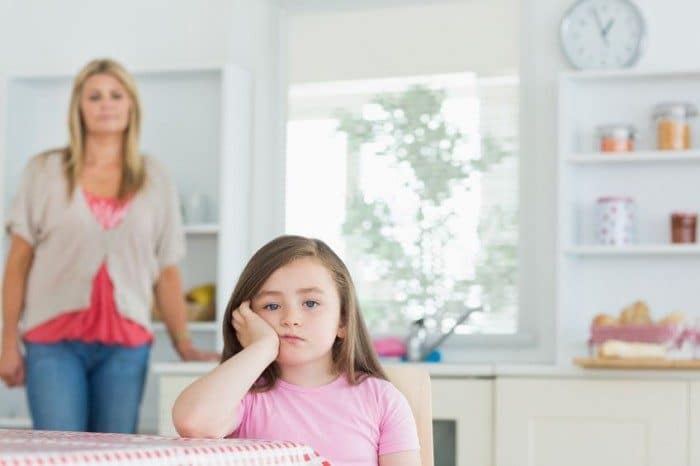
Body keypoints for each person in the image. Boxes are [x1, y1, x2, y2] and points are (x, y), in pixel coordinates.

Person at [0, 58, 218, 433]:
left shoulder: (154, 178)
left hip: (126, 344)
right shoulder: (44, 172)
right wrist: (6, 342)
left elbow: (167, 270)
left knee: (114, 454)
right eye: (94, 96)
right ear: (78, 108)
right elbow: (18, 261)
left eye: (116, 95)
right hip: (52, 342)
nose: (106, 104)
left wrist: (184, 343)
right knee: (58, 452)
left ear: (131, 105)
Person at [172, 235, 421, 466]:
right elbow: (192, 422)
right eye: (271, 305)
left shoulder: (381, 399)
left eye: (310, 303)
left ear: (343, 321)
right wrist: (262, 347)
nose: (291, 318)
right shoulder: (244, 398)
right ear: (247, 318)